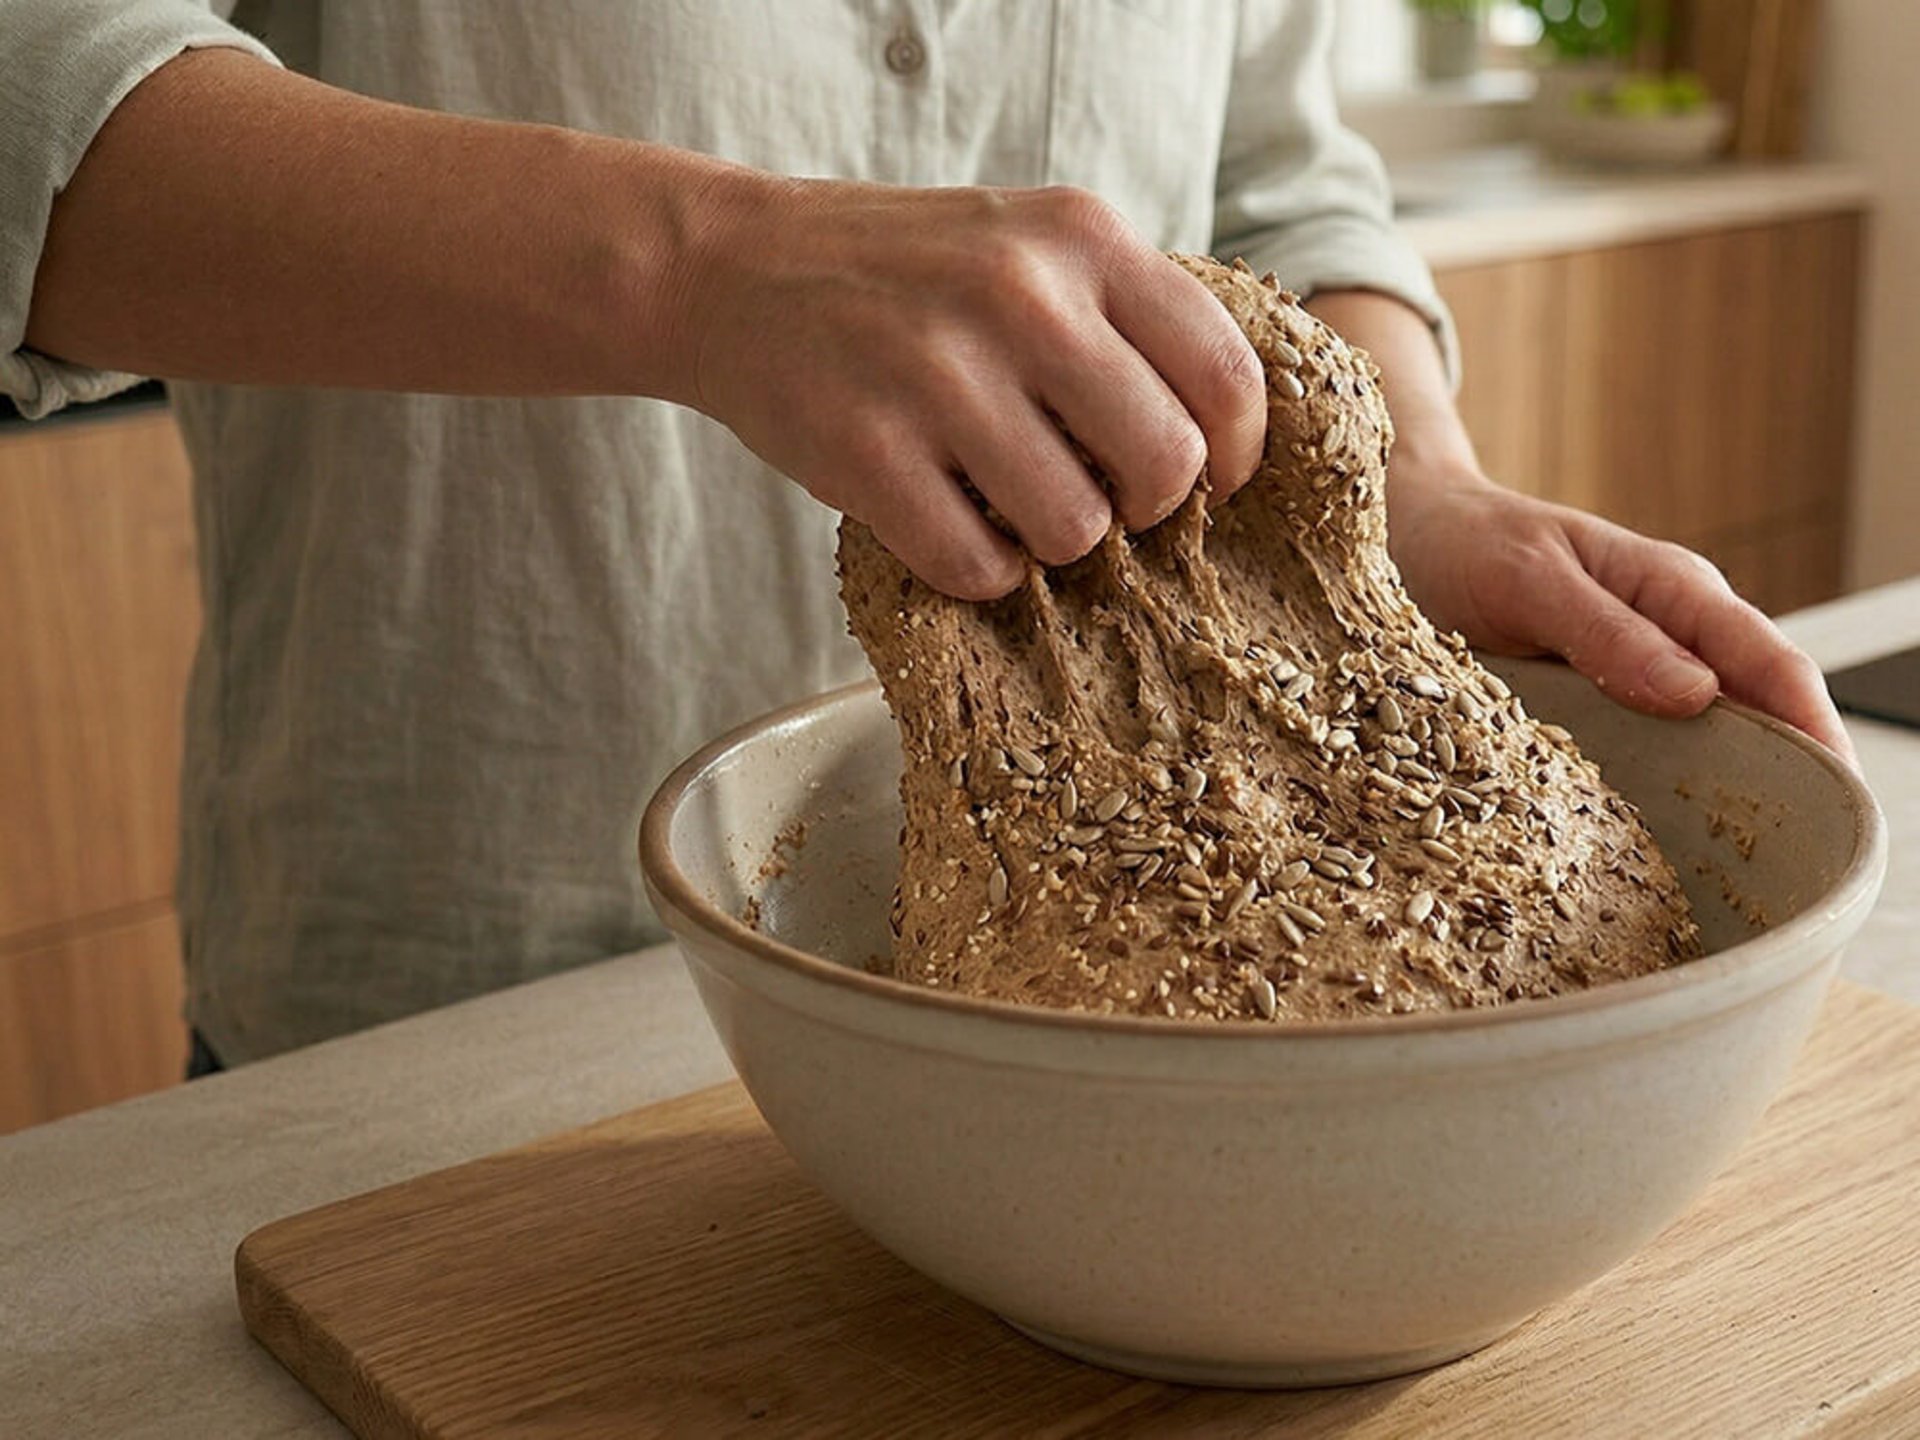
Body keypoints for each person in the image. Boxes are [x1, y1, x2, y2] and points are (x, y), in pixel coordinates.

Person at [3, 1, 1851, 1072]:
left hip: (1170, 1072)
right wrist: (702, 269)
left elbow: (1278, 181)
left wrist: (1399, 486)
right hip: (453, 1015)